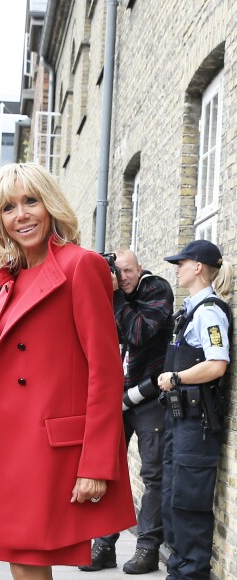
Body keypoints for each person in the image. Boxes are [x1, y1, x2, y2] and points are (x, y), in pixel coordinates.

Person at [0, 163, 136, 580]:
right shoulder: (10, 281)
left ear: (51, 205)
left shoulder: (81, 266)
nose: (21, 215)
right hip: (6, 448)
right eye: (9, 207)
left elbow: (105, 370)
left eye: (31, 201)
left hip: (50, 449)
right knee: (18, 561)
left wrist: (96, 464)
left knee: (28, 561)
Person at [80, 250, 174, 574]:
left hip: (147, 397)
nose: (122, 278)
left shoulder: (156, 290)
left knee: (153, 476)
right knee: (106, 471)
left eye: (127, 271)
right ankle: (103, 546)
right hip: (115, 397)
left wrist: (115, 295)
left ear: (140, 269)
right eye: (116, 273)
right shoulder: (111, 296)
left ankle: (147, 548)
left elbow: (137, 334)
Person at [157, 239, 233, 579]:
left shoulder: (210, 312)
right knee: (173, 500)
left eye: (182, 262)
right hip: (180, 422)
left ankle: (190, 573)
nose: (177, 267)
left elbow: (217, 365)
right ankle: (178, 570)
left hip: (197, 426)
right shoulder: (190, 311)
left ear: (199, 267)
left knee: (188, 505)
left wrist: (175, 377)